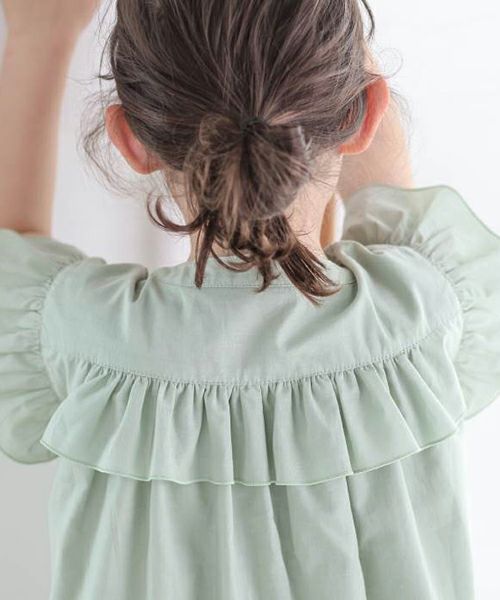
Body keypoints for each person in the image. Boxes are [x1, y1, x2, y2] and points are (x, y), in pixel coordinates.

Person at [0, 1, 499, 599]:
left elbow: (11, 259)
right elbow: (394, 206)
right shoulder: (422, 313)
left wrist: (43, 34)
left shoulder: (87, 338)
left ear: (130, 140)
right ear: (363, 114)